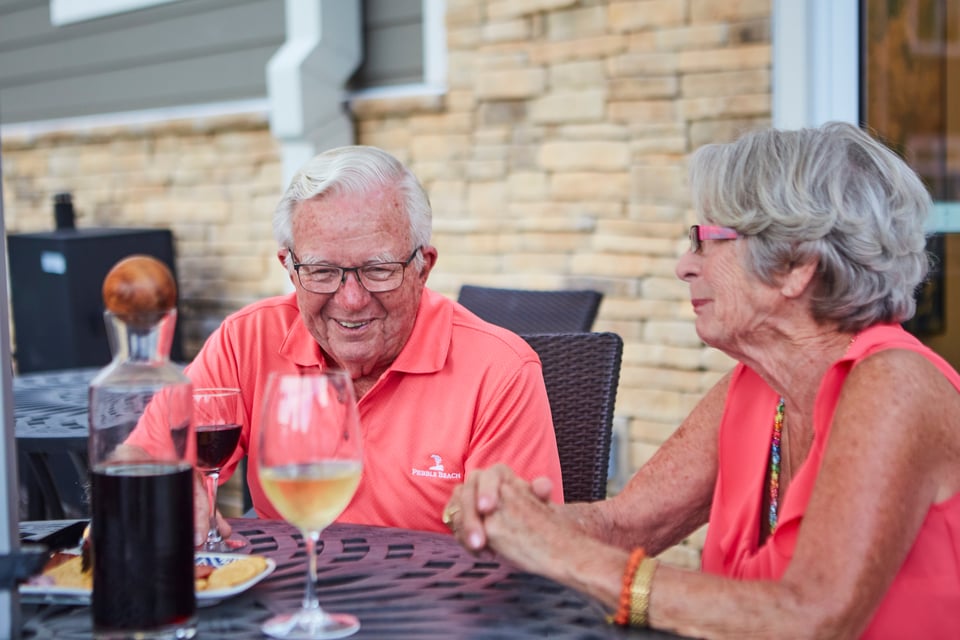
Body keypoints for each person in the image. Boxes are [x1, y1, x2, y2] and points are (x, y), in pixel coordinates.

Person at [443, 122, 960, 639]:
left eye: (706, 239)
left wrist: (567, 555)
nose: (684, 266)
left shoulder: (896, 384)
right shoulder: (757, 387)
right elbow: (624, 525)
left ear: (796, 265)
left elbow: (811, 616)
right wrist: (509, 518)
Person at [162, 145, 564, 541]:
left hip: (433, 602)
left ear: (423, 267)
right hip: (287, 597)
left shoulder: (500, 371)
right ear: (289, 268)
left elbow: (526, 551)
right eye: (321, 270)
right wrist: (172, 487)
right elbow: (143, 460)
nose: (351, 300)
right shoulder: (247, 341)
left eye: (378, 269)